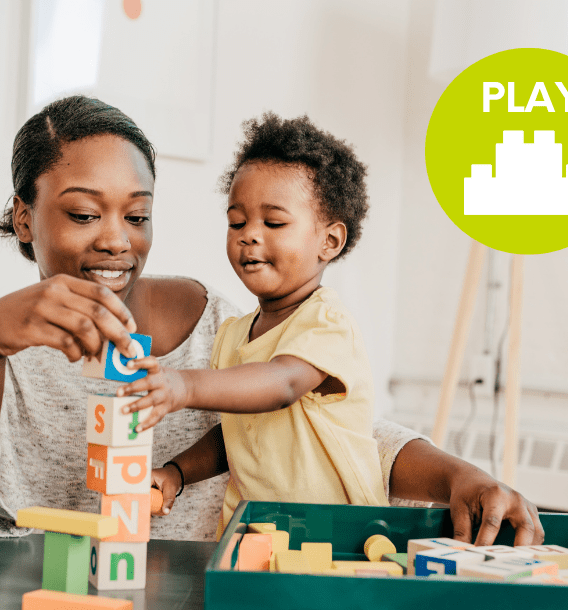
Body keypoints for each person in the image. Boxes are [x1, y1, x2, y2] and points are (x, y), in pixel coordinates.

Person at [0, 95, 543, 555]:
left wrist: (463, 475)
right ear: (25, 219)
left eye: (137, 216)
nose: (114, 241)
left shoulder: (226, 324)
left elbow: (338, 433)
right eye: (81, 214)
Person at [116, 113, 387, 534]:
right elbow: (237, 437)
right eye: (237, 222)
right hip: (254, 535)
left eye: (274, 223)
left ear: (329, 241)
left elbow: (281, 385)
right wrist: (177, 472)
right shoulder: (234, 335)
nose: (249, 235)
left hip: (338, 537)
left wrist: (184, 386)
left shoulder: (326, 323)